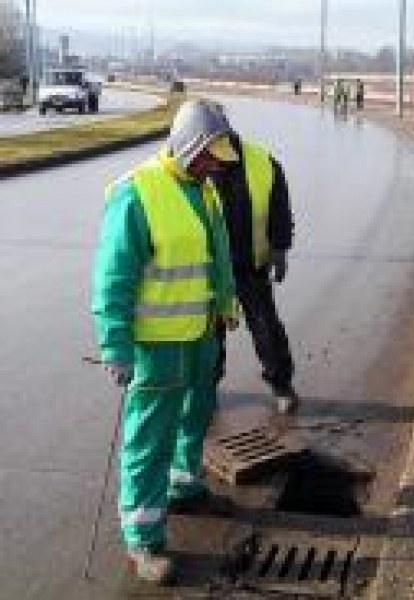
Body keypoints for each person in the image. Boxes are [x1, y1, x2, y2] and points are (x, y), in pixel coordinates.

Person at [91, 99, 239, 584]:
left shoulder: (204, 189)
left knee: (194, 418)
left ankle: (183, 485)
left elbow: (215, 254)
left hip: (199, 336)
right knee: (148, 441)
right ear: (187, 144)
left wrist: (225, 306)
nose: (215, 164)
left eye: (220, 156)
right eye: (209, 154)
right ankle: (144, 540)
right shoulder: (136, 193)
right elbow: (113, 278)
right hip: (155, 347)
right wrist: (115, 345)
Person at [206, 103, 300, 414]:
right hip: (207, 270)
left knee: (266, 328)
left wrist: (280, 250)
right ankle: (206, 390)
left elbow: (279, 210)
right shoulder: (195, 163)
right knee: (209, 335)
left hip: (250, 266)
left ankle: (281, 385)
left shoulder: (262, 162)